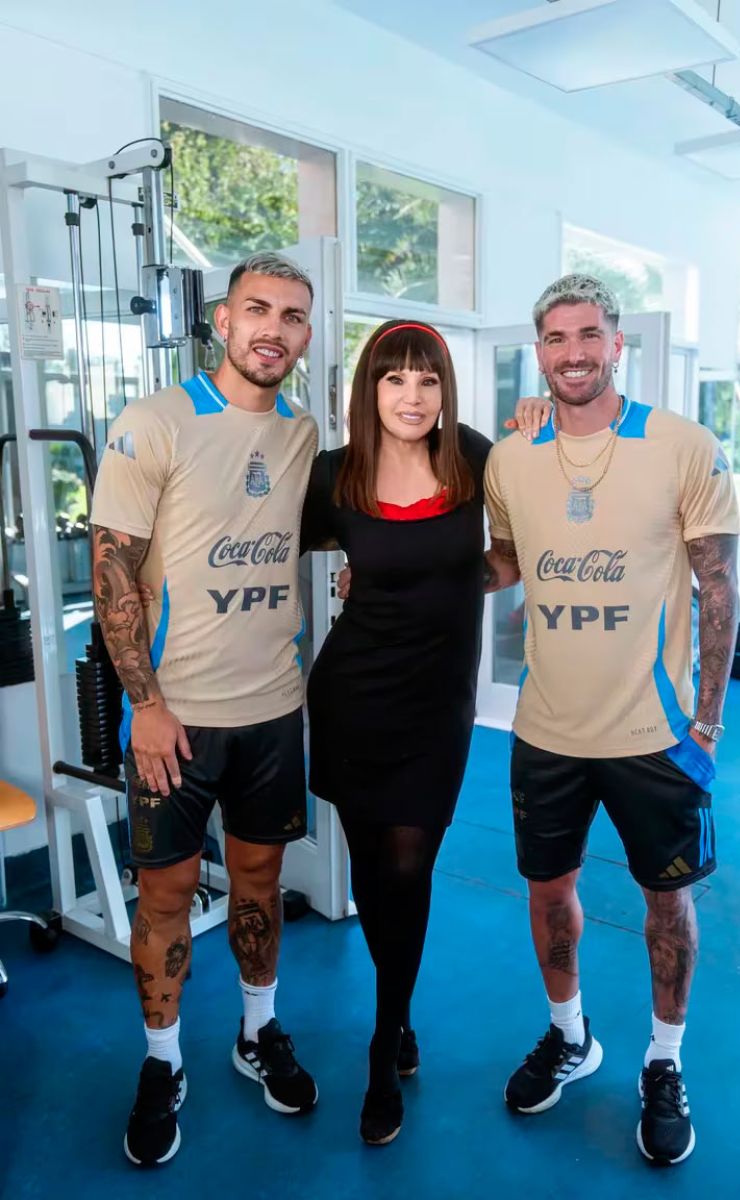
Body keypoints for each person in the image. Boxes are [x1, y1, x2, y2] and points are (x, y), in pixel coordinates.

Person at [483, 274, 740, 1167]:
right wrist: (404, 576)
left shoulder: (682, 446)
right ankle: (570, 1035)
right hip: (546, 729)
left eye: (589, 334)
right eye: (556, 338)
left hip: (654, 734)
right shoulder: (512, 456)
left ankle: (664, 1060)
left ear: (617, 343)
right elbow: (504, 563)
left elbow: (718, 587)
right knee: (548, 891)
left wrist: (706, 725)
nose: (573, 353)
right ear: (539, 350)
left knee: (667, 900)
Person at [90, 252, 321, 1168]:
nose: (274, 329)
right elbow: (113, 569)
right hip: (174, 718)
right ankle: (162, 1060)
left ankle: (258, 1032)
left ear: (306, 335)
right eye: (258, 310)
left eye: (293, 316)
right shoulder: (155, 422)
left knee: (260, 881)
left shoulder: (303, 433)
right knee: (167, 896)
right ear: (223, 321)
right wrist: (143, 703)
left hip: (273, 711)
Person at [300, 320, 498, 1146]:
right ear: (369, 389)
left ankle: (384, 1044)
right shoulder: (332, 475)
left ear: (445, 389)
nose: (412, 396)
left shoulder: (475, 458)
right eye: (394, 379)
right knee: (373, 873)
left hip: (438, 703)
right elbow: (277, 544)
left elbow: (516, 547)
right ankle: (400, 1015)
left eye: (428, 379)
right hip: (354, 696)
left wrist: (453, 581)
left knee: (411, 865)